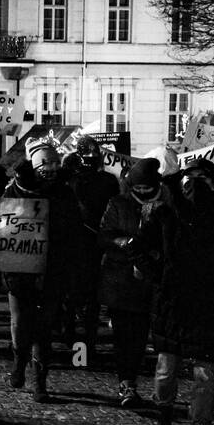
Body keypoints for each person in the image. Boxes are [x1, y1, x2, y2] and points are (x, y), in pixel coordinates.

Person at [137, 158, 214, 425]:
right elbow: (141, 249)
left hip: (213, 303)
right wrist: (159, 276)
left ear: (213, 182)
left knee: (206, 375)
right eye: (191, 177)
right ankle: (164, 414)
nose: (196, 183)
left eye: (203, 177)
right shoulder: (165, 211)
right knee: (166, 367)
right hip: (174, 301)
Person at [0, 144, 85, 403]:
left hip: (52, 269)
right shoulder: (14, 190)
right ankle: (18, 361)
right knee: (19, 322)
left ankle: (39, 380)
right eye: (44, 163)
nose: (50, 168)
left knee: (44, 326)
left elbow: (75, 231)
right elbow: (4, 223)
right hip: (20, 268)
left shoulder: (64, 193)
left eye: (54, 163)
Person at [97, 158, 165, 409]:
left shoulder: (165, 205)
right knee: (127, 337)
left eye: (148, 188)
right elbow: (105, 236)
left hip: (155, 282)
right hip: (122, 281)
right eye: (139, 188)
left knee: (153, 337)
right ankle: (127, 383)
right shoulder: (118, 204)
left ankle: (163, 391)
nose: (144, 192)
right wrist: (125, 243)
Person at [63, 136, 120, 364]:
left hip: (79, 246)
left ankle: (78, 347)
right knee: (90, 303)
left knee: (75, 299)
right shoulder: (106, 180)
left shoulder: (71, 181)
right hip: (91, 246)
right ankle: (85, 348)